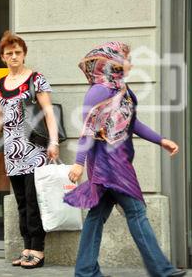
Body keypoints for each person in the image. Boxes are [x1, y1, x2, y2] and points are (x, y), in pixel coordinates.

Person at [64, 42, 186, 277]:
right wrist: (78, 163)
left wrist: (161, 140)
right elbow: (88, 128)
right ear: (112, 63)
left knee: (97, 215)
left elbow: (133, 123)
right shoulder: (99, 90)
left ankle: (85, 271)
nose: (130, 63)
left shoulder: (120, 89)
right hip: (109, 165)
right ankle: (161, 270)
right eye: (126, 58)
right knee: (137, 211)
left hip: (117, 161)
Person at [0, 31, 59, 269]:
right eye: (9, 53)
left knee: (34, 201)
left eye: (18, 52)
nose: (14, 56)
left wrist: (54, 142)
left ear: (24, 54)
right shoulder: (0, 84)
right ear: (2, 57)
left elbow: (49, 112)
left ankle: (38, 250)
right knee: (21, 201)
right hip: (12, 152)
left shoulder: (36, 79)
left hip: (35, 150)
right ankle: (26, 248)